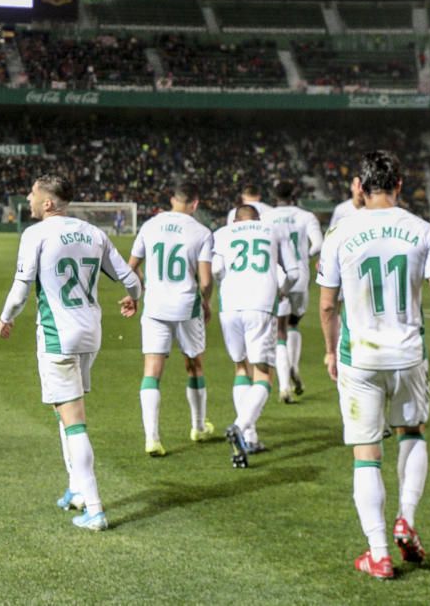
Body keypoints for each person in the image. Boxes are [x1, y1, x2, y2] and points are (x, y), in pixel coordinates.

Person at [317, 150, 430, 579]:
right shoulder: (422, 230)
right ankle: (407, 518)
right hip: (408, 355)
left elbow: (328, 306)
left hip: (359, 357)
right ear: (400, 185)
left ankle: (379, 553)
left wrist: (330, 350)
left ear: (360, 188)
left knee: (367, 454)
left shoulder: (340, 232)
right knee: (413, 432)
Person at [0, 174, 142, 531]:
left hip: (57, 334)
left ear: (48, 203)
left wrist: (5, 317)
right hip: (91, 333)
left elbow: (20, 289)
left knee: (74, 420)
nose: (28, 198)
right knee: (66, 411)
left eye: (32, 194)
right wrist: (133, 300)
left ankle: (95, 509)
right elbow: (132, 280)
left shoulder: (36, 235)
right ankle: (77, 490)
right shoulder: (94, 233)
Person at [128, 182, 214, 456]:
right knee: (194, 364)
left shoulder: (150, 225)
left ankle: (152, 438)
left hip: (155, 306)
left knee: (152, 371)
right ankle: (198, 427)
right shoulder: (201, 232)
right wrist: (206, 301)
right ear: (195, 203)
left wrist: (136, 294)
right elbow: (206, 280)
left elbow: (131, 268)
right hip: (187, 306)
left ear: (172, 199)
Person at [212, 205, 299, 466]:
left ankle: (249, 438)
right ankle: (241, 426)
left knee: (241, 367)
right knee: (263, 373)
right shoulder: (274, 229)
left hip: (230, 305)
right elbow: (293, 273)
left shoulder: (223, 233)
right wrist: (282, 291)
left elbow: (216, 270)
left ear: (235, 220)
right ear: (258, 219)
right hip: (260, 304)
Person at [263, 181, 324, 402]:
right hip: (300, 277)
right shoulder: (306, 216)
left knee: (279, 331)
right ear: (294, 194)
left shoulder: (267, 217)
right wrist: (305, 257)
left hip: (278, 277)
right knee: (294, 324)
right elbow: (318, 244)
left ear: (274, 195)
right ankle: (294, 366)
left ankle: (284, 386)